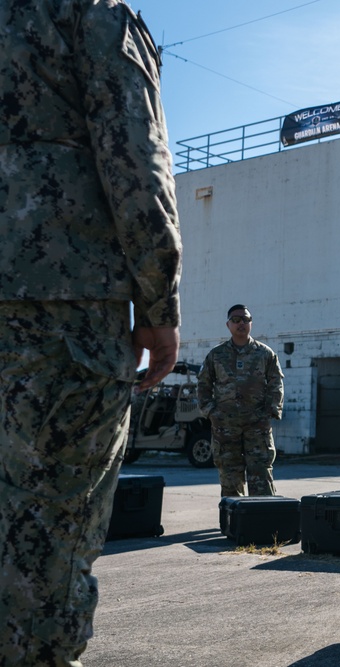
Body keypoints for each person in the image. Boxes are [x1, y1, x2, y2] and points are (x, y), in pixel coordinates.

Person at [0, 1, 182, 665]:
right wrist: (159, 302)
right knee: (49, 530)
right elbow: (135, 161)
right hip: (60, 308)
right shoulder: (91, 14)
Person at [197, 305, 284, 497]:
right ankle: (232, 523)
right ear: (228, 325)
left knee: (261, 474)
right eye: (236, 320)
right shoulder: (216, 355)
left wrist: (269, 412)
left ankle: (263, 523)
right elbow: (203, 385)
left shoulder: (265, 354)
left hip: (257, 424)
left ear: (251, 323)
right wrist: (211, 412)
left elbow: (276, 383)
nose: (241, 323)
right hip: (225, 426)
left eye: (245, 319)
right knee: (229, 476)